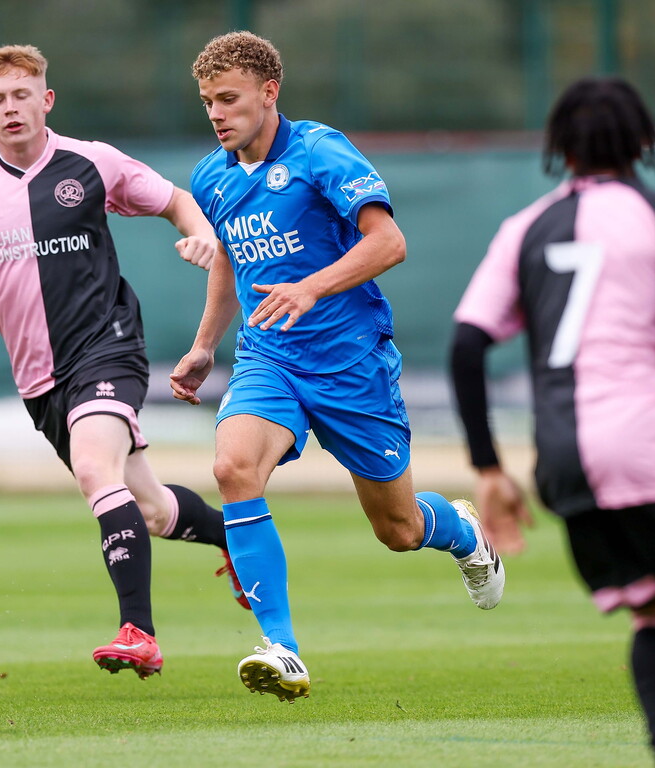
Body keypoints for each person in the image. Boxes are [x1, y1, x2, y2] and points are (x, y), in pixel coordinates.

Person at [0, 43, 250, 682]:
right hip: (40, 382)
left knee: (92, 469)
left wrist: (200, 233)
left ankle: (139, 631)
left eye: (22, 95)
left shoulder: (91, 162)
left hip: (107, 346)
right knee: (153, 508)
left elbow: (175, 199)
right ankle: (238, 542)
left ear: (45, 100)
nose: (12, 108)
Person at [169, 30, 505, 703]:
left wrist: (312, 287)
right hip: (270, 359)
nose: (217, 113)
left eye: (229, 99)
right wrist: (207, 344)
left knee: (399, 529)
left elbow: (390, 242)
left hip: (352, 363)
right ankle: (281, 649)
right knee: (233, 467)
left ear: (269, 93)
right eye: (208, 101)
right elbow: (232, 259)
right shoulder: (212, 176)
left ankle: (461, 530)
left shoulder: (320, 151)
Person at [450, 77, 655, 768]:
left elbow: (467, 343)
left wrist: (490, 469)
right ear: (646, 140)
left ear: (558, 148)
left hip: (566, 465)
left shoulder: (525, 227)